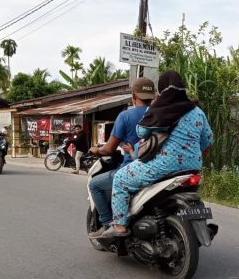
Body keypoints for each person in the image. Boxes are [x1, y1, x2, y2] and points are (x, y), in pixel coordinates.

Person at [96, 70, 214, 239]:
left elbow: (142, 131)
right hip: (192, 166)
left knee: (121, 179)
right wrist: (192, 156)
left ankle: (119, 226)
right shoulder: (197, 111)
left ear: (162, 90)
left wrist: (155, 106)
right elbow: (208, 141)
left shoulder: (162, 108)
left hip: (164, 165)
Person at [87, 77, 156, 236]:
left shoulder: (125, 116)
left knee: (95, 185)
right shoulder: (162, 115)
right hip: (159, 167)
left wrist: (96, 150)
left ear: (133, 95)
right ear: (153, 95)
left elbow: (109, 149)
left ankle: (106, 224)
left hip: (132, 169)